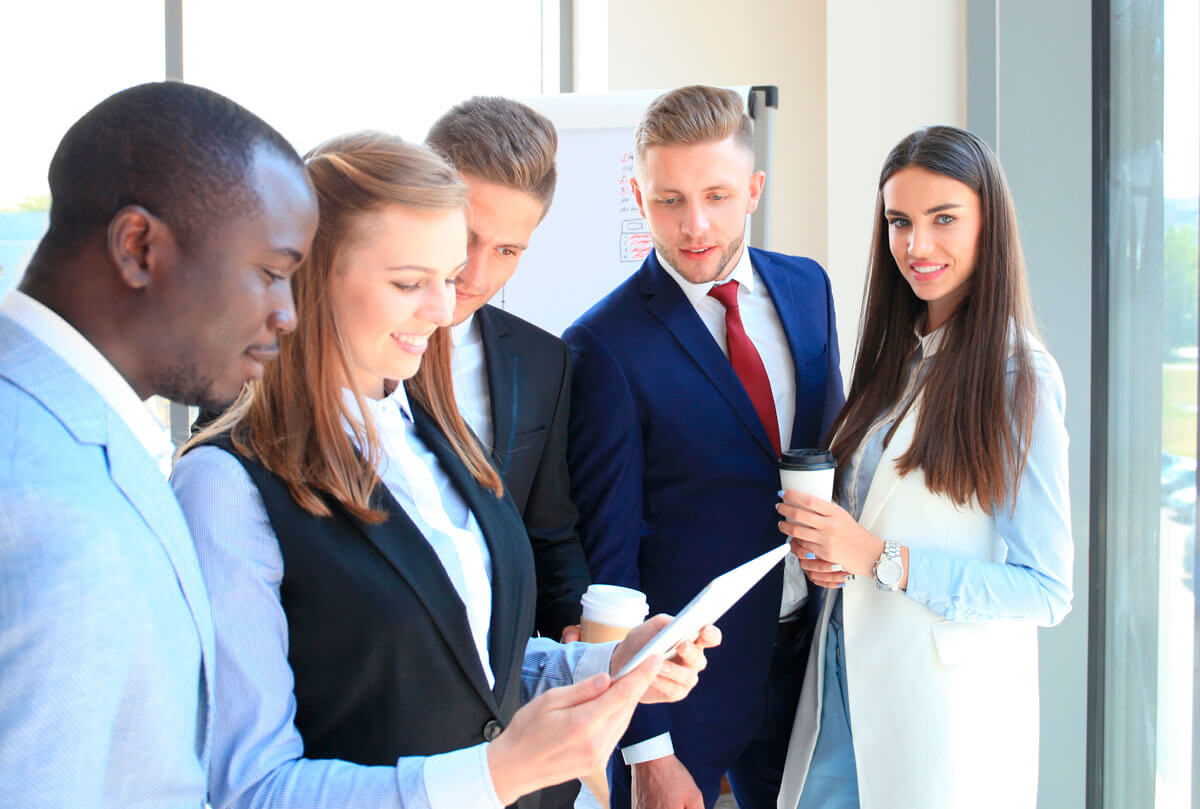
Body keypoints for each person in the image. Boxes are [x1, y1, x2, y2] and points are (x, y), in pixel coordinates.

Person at [172, 132, 718, 809]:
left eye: (447, 276)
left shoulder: (434, 432)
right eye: (409, 282)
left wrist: (610, 660)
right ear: (311, 276)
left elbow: (471, 660)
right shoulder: (226, 485)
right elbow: (249, 788)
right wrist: (492, 775)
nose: (444, 309)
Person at [0, 82, 318, 807]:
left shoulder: (70, 433)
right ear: (139, 246)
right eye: (271, 273)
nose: (289, 314)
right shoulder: (34, 497)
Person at [775, 125, 1073, 809]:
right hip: (844, 682)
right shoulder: (899, 359)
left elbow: (1048, 588)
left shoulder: (1015, 375)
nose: (917, 245)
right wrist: (835, 556)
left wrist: (880, 557)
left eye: (944, 219)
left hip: (938, 711)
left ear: (988, 225)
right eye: (899, 221)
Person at [565, 85, 844, 809]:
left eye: (717, 196)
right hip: (684, 691)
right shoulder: (602, 346)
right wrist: (647, 747)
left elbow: (830, 448)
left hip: (813, 663)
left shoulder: (809, 288)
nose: (694, 225)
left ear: (753, 190)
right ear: (638, 195)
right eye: (669, 200)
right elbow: (611, 564)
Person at [426, 96, 591, 645]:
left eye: (507, 251)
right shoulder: (315, 343)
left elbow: (548, 533)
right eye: (467, 237)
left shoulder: (545, 362)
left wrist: (577, 624)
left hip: (499, 682)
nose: (475, 273)